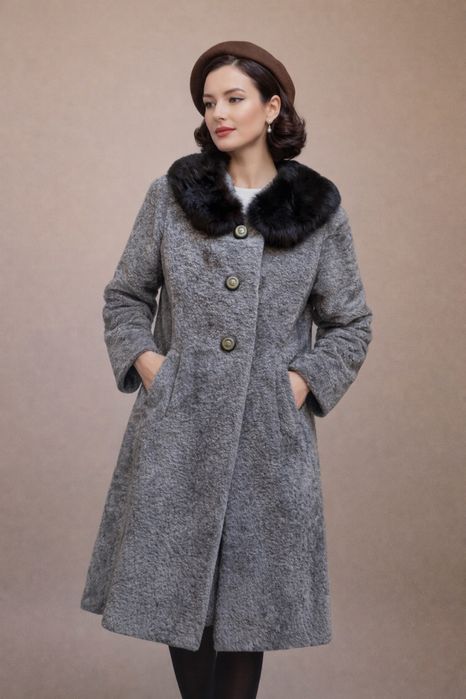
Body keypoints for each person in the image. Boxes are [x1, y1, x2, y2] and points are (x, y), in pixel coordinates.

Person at [80, 40, 373, 698]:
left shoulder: (318, 212)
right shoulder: (170, 197)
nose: (218, 113)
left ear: (272, 108)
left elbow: (350, 322)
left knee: (247, 610)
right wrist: (152, 366)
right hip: (177, 431)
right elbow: (125, 297)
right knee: (179, 599)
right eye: (209, 102)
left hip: (268, 442)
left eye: (234, 98)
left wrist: (298, 383)